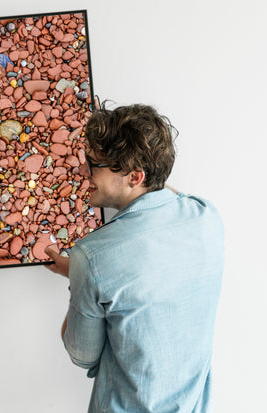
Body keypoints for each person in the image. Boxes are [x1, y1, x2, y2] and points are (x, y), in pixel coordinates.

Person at [45, 103, 224, 413]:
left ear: (134, 176)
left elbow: (82, 355)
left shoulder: (91, 256)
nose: (82, 171)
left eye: (93, 164)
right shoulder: (206, 216)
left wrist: (80, 276)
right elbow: (164, 197)